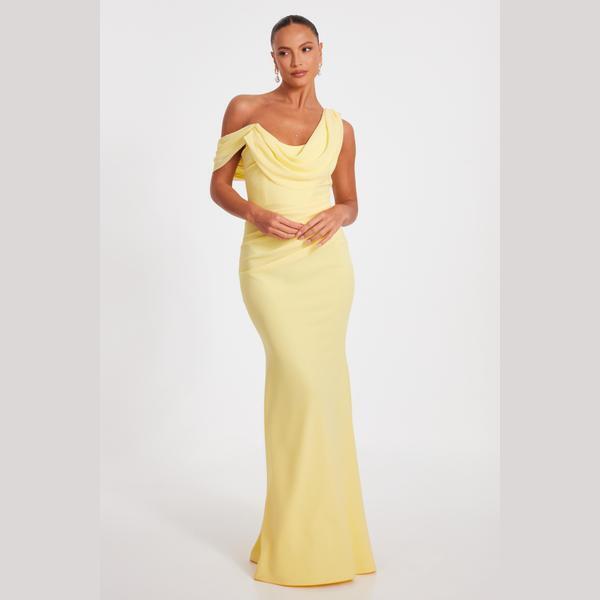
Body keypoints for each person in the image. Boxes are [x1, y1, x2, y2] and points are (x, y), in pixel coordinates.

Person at [210, 14, 376, 587]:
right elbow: (219, 186)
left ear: (322, 53)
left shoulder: (341, 129)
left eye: (306, 49)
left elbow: (350, 201)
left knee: (323, 396)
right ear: (273, 58)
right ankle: (299, 539)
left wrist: (338, 214)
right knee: (300, 385)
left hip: (326, 270)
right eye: (284, 52)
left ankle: (326, 536)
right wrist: (255, 212)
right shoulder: (245, 109)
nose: (296, 61)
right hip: (268, 268)